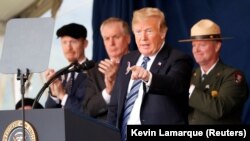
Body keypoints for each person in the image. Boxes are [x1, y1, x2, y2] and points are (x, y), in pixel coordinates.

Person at [107, 7, 194, 140]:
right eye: (138, 31)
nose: (143, 37)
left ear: (163, 32)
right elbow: (115, 104)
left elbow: (175, 85)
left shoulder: (178, 59)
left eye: (149, 31)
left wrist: (148, 77)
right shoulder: (128, 59)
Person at [179, 19, 249, 124]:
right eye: (194, 45)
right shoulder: (192, 75)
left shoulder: (233, 76)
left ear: (217, 46)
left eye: (202, 45)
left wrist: (189, 89)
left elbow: (219, 109)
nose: (196, 50)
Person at [82, 17, 131, 121]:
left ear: (128, 38)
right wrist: (108, 91)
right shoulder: (93, 72)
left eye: (116, 37)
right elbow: (88, 110)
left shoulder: (141, 62)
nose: (111, 43)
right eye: (107, 39)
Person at [45, 23, 90, 114]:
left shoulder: (94, 72)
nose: (68, 48)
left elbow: (88, 111)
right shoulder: (60, 76)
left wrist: (62, 95)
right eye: (64, 42)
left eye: (73, 42)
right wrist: (54, 93)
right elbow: (49, 114)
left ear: (85, 43)